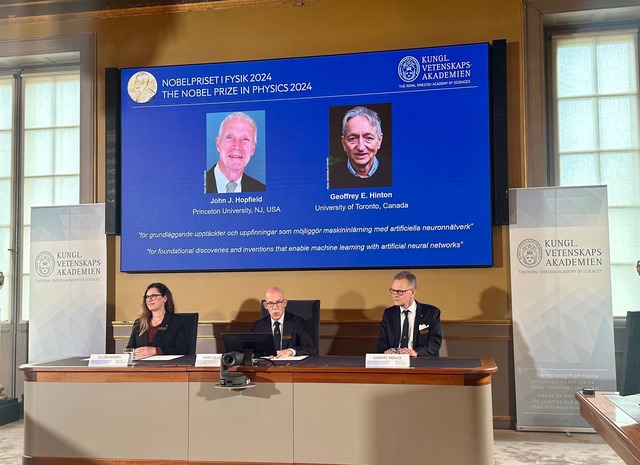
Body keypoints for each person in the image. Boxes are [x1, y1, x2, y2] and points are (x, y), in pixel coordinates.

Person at [377, 270, 442, 357]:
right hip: (394, 361)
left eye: (400, 292)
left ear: (412, 292)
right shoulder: (389, 314)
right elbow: (382, 342)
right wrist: (386, 351)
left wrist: (416, 352)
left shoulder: (431, 313)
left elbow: (435, 342)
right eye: (393, 291)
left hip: (420, 360)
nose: (395, 295)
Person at [329, 105, 392, 189]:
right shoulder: (330, 176)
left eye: (368, 138)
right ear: (344, 143)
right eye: (353, 139)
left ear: (379, 141)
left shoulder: (395, 172)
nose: (361, 147)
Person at [205, 112, 266, 193]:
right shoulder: (198, 185)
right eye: (229, 137)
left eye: (245, 139)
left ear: (253, 148)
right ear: (218, 144)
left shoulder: (261, 190)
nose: (237, 146)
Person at [126, 282, 189, 359]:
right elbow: (129, 349)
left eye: (153, 296)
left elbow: (183, 350)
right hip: (141, 366)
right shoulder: (139, 323)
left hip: (168, 366)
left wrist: (156, 351)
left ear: (164, 298)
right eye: (147, 297)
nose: (149, 299)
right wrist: (134, 352)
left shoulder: (177, 322)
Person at [251, 287, 317, 357]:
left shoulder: (296, 322)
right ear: (265, 305)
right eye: (270, 303)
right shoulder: (258, 325)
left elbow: (311, 348)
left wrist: (290, 351)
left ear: (285, 303)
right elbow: (249, 349)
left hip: (290, 366)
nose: (275, 307)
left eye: (278, 302)